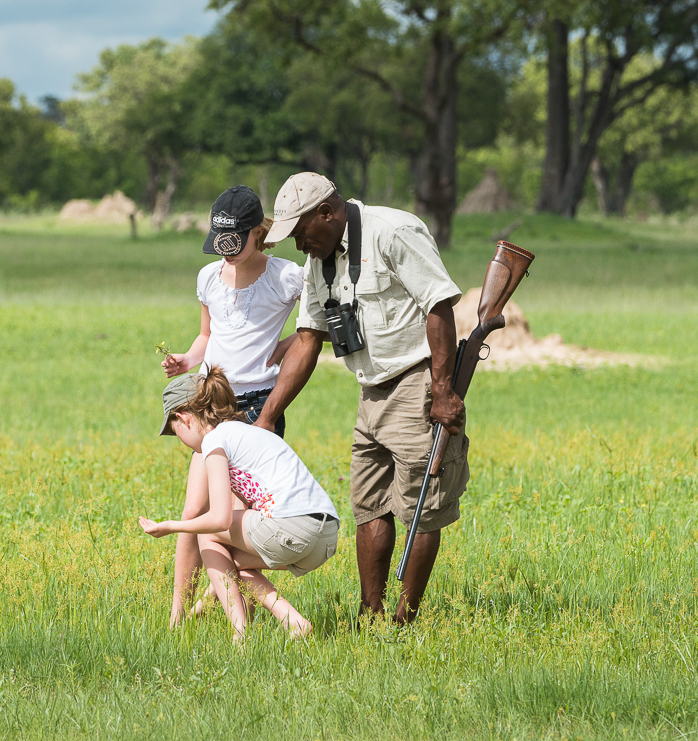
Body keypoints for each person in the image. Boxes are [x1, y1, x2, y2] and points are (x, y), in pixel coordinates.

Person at [253, 172, 464, 626]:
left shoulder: (393, 231)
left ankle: (404, 621)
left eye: (300, 233)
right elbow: (308, 339)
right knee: (369, 504)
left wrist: (442, 392)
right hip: (370, 392)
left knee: (420, 508)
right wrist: (268, 417)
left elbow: (440, 306)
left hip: (416, 382)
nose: (297, 246)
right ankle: (371, 616)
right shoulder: (320, 260)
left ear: (326, 214)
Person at [158, 184, 305, 625]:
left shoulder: (286, 276)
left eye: (234, 245)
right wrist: (186, 359)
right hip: (211, 401)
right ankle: (178, 614)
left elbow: (319, 327)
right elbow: (207, 335)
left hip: (258, 404)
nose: (227, 256)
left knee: (240, 518)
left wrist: (290, 342)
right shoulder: (208, 277)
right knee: (194, 512)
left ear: (257, 233)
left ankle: (241, 615)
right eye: (220, 247)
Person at [139, 367, 339, 642]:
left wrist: (172, 526)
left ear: (183, 418)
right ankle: (294, 622)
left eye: (176, 433)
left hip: (291, 526)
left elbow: (219, 519)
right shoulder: (246, 434)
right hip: (325, 535)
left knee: (207, 534)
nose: (183, 444)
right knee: (229, 559)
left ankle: (240, 635)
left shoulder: (214, 441)